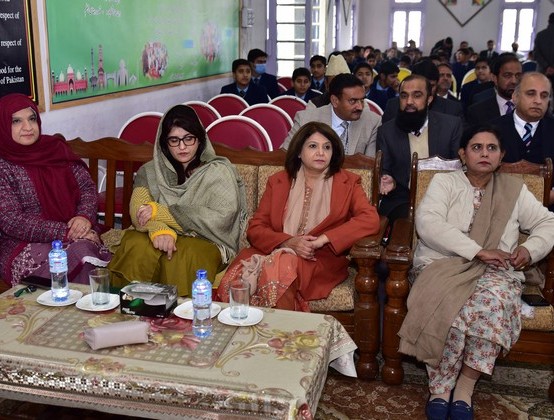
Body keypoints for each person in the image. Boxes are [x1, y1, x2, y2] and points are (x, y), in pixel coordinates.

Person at [397, 124, 554, 420]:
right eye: (477, 147)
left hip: (497, 272)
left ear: (501, 155)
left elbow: (548, 223)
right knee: (452, 308)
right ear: (463, 153)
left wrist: (529, 250)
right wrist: (478, 251)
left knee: (491, 306)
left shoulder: (513, 189)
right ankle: (440, 388)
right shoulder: (445, 183)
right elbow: (428, 223)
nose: (484, 153)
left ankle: (464, 388)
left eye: (492, 148)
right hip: (442, 265)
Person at [217, 121, 380, 311]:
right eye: (313, 146)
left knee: (281, 266)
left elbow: (370, 219)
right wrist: (287, 242)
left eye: (327, 147)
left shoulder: (348, 182)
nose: (321, 153)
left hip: (319, 260)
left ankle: (279, 327)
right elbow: (256, 228)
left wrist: (323, 239)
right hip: (273, 252)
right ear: (299, 152)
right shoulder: (278, 181)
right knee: (251, 274)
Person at [109, 104, 247, 296]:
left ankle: (181, 312)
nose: (182, 147)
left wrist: (161, 212)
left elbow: (221, 218)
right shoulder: (150, 171)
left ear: (200, 138)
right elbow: (138, 209)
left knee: (182, 254)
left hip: (207, 239)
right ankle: (131, 305)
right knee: (136, 244)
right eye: (174, 140)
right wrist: (159, 230)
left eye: (188, 138)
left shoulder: (217, 172)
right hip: (161, 231)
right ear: (164, 143)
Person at [0, 93, 110, 287]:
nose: (28, 127)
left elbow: (87, 188)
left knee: (83, 249)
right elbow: (11, 220)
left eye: (32, 119)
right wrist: (66, 232)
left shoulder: (55, 149)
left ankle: (88, 304)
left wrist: (84, 217)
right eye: (16, 121)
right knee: (72, 255)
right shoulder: (4, 165)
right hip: (21, 243)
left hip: (75, 231)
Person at [378, 75, 462, 223]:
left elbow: (459, 166)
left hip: (445, 198)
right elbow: (385, 169)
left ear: (429, 99)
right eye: (404, 96)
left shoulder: (451, 126)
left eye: (417, 96)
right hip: (403, 200)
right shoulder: (386, 131)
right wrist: (388, 178)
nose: (409, 102)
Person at [282, 73, 381, 157]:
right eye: (353, 101)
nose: (360, 107)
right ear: (335, 101)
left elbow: (369, 165)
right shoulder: (306, 119)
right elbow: (284, 156)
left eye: (362, 100)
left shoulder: (373, 122)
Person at [492, 72, 554, 205]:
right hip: (499, 206)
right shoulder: (491, 130)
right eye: (531, 94)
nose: (538, 101)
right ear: (515, 97)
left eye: (544, 96)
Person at [466, 53, 522, 126]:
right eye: (507, 75)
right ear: (495, 78)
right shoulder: (477, 111)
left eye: (518, 76)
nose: (514, 81)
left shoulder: (530, 107)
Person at [533, 13, 554, 86]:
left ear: (548, 21)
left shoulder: (540, 35)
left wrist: (547, 67)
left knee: (541, 90)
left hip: (542, 71)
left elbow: (536, 54)